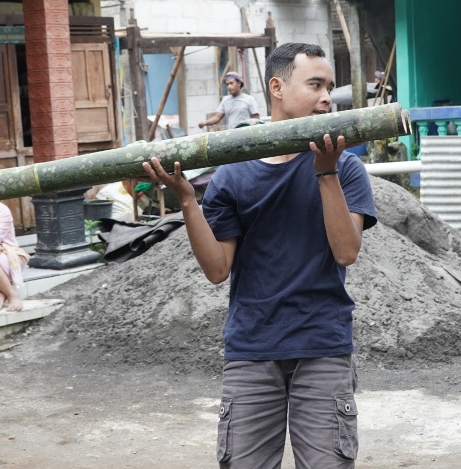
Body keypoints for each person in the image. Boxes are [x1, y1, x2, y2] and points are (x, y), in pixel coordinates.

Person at [143, 42, 378, 468]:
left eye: (329, 87)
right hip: (251, 347)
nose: (327, 97)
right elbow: (217, 270)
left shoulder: (346, 168)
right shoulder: (233, 173)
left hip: (323, 344)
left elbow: (346, 252)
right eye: (315, 85)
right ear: (277, 87)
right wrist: (188, 201)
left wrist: (325, 172)